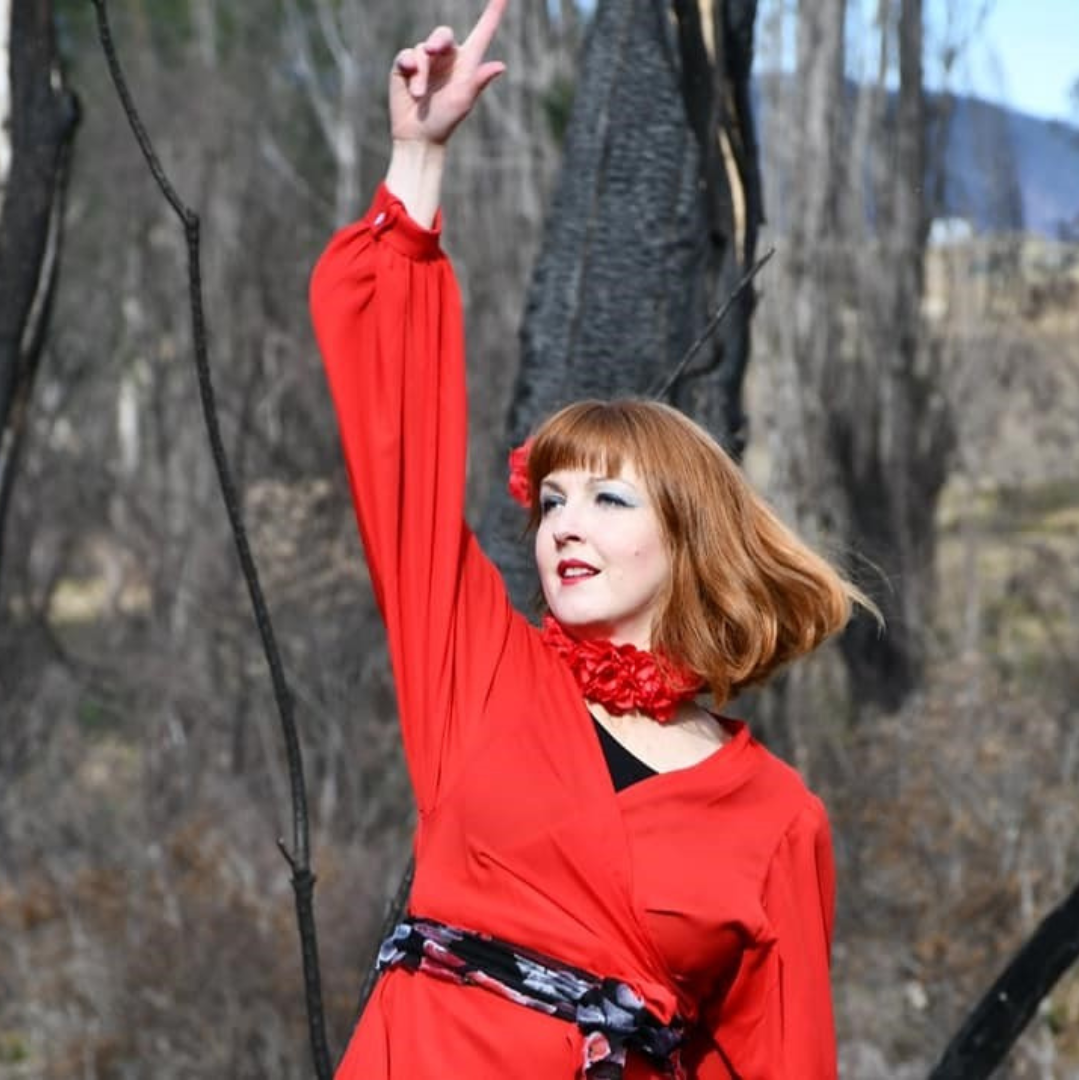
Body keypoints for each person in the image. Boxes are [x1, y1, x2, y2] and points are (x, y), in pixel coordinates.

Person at [309, 2, 869, 1075]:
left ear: (690, 539)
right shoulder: (484, 677)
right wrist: (417, 163)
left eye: (608, 501)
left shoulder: (777, 819)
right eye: (553, 500)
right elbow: (397, 457)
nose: (565, 522)